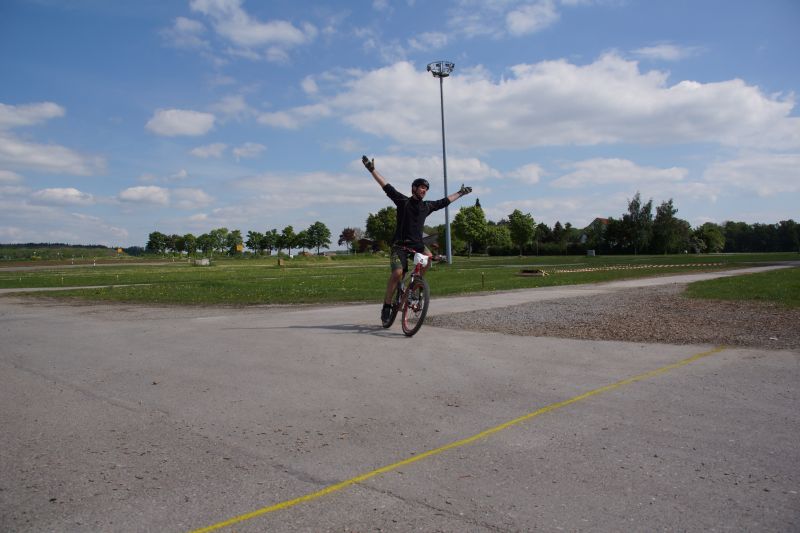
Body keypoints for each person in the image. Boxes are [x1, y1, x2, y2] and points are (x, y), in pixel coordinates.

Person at [362, 155, 472, 324]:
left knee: (428, 259)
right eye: (421, 187)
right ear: (414, 188)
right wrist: (372, 170)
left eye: (426, 189)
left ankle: (415, 286)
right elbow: (386, 186)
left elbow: (445, 201)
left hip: (418, 246)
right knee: (398, 273)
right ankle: (387, 306)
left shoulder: (426, 206)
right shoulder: (403, 202)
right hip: (399, 246)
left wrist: (461, 193)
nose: (424, 190)